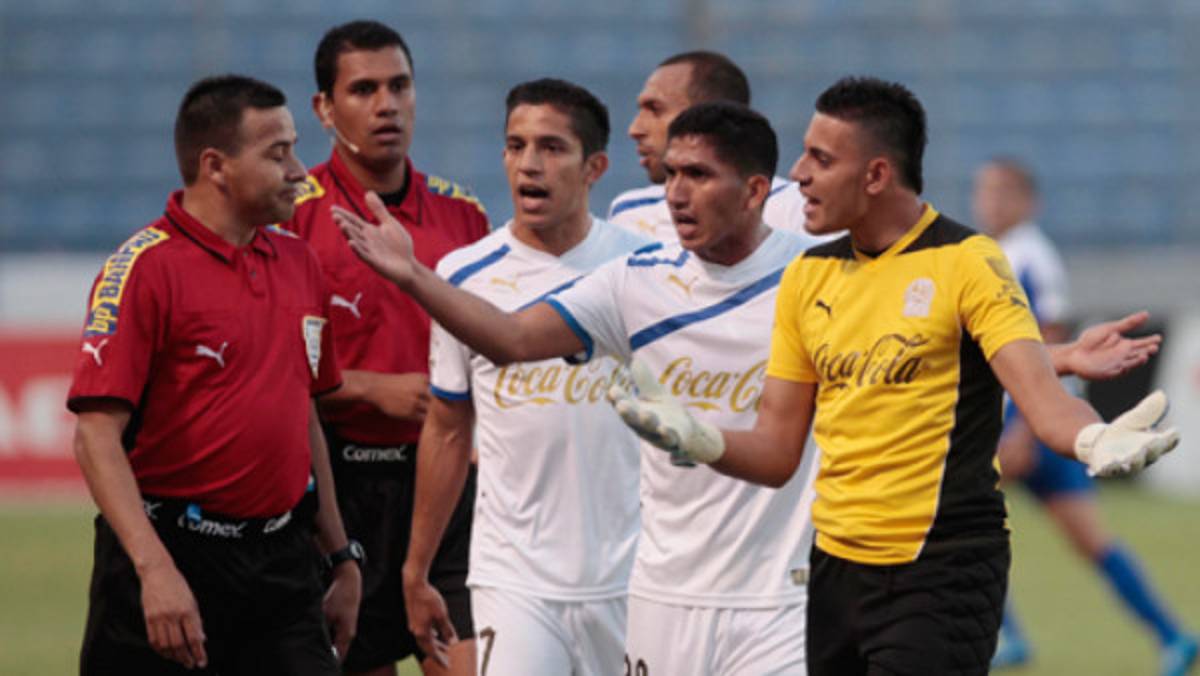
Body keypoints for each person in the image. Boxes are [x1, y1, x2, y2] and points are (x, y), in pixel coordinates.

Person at [334, 99, 1157, 675]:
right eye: (672, 173)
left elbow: (927, 344)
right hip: (661, 591)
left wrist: (1060, 375)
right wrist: (410, 273)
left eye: (697, 173)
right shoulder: (640, 281)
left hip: (790, 593)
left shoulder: (817, 273)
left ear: (758, 189)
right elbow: (511, 340)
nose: (674, 192)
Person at [607, 76, 1179, 676]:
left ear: (876, 176)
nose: (797, 173)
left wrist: (1093, 438)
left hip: (941, 572)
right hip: (831, 574)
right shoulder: (808, 277)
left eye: (821, 159)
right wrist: (699, 438)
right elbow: (777, 451)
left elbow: (1040, 396)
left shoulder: (969, 261)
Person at [68, 74, 360, 675]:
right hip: (174, 556)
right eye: (277, 153)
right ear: (215, 166)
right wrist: (156, 571)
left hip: (282, 567)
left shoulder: (299, 262)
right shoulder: (143, 270)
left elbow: (301, 410)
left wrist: (340, 555)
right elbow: (95, 436)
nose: (300, 170)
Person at [402, 78, 647, 674]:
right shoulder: (463, 274)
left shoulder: (642, 269)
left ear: (595, 167)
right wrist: (418, 566)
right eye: (516, 146)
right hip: (514, 578)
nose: (529, 165)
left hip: (633, 575)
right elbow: (449, 427)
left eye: (552, 148)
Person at [281, 20, 489, 676]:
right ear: (324, 107)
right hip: (343, 489)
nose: (386, 104)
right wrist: (374, 387)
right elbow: (280, 367)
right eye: (364, 89)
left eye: (399, 85)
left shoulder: (465, 216)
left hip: (449, 486)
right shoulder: (294, 219)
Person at [973, 158, 1198, 676]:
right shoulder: (994, 252)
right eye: (986, 191)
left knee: (947, 514)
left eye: (1003, 191)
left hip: (1031, 423)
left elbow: (1050, 337)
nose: (992, 201)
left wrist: (1025, 427)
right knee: (1085, 539)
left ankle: (1008, 634)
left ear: (1028, 201)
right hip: (1031, 424)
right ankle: (1171, 635)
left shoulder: (1031, 255)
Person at [609, 51, 808, 240]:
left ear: (708, 115)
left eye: (655, 109)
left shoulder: (796, 210)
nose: (635, 129)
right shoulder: (630, 212)